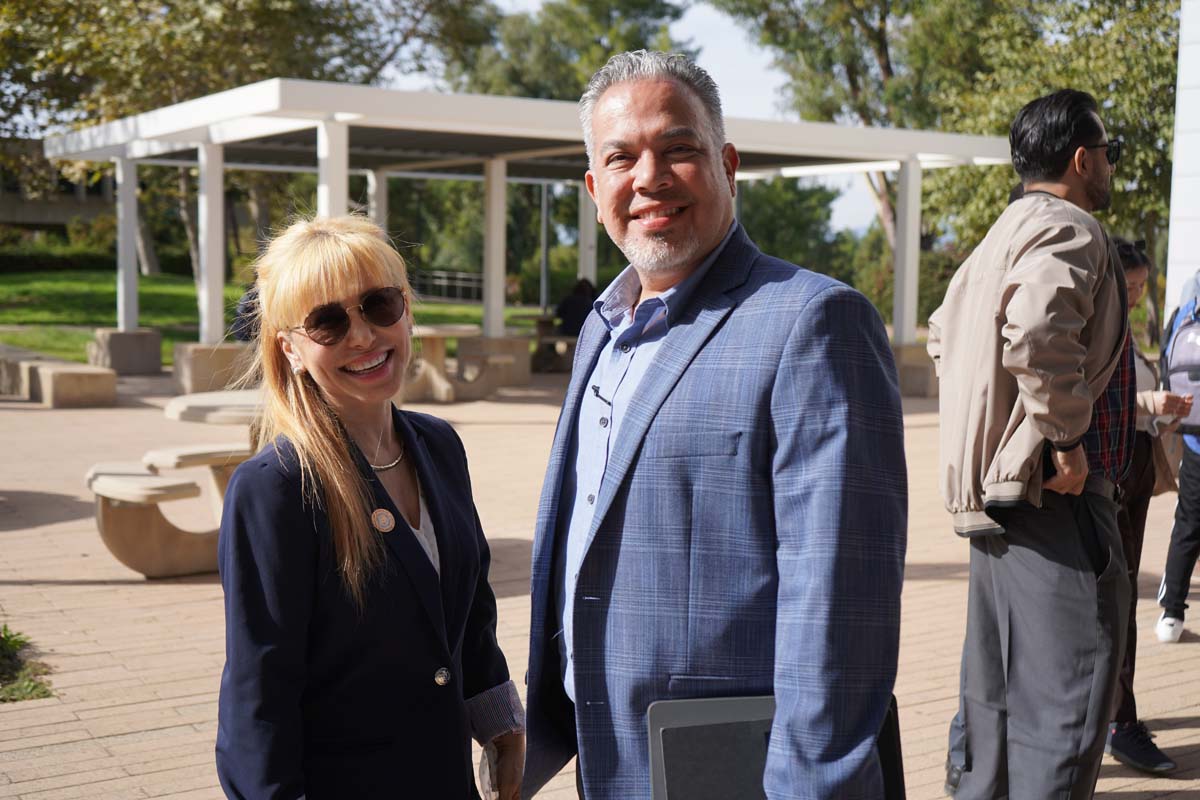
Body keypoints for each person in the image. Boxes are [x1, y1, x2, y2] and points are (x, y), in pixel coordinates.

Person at [522, 50, 908, 799]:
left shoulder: (813, 322)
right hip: (610, 755)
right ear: (594, 188)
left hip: (737, 769)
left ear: (727, 165)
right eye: (621, 158)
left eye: (678, 149)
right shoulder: (603, 327)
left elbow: (840, 610)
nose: (650, 178)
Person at [215, 215, 525, 799]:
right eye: (327, 322)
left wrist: (500, 722)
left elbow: (469, 612)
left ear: (406, 311)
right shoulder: (276, 488)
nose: (361, 336)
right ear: (290, 348)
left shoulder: (439, 445)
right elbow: (259, 698)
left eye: (379, 305)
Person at [928, 89, 1132, 799]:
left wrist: (997, 431)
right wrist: (1062, 437)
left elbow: (942, 337)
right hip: (1054, 497)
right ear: (1081, 159)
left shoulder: (1001, 233)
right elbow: (1039, 331)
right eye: (1109, 152)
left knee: (994, 701)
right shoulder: (1070, 227)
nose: (1111, 165)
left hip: (1001, 501)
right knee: (1069, 698)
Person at [1104, 238, 1188, 773]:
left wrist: (1160, 414)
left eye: (1139, 287)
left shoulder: (1125, 329)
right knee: (1112, 603)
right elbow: (1094, 397)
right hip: (1107, 473)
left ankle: (1114, 716)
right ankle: (1117, 720)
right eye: (1129, 286)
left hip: (1131, 470)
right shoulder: (1096, 324)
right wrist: (1148, 403)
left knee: (1122, 598)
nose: (1135, 296)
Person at [1156, 266, 1200, 645]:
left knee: (1188, 522)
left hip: (1195, 436)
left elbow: (1167, 361)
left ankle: (1171, 612)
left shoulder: (1191, 297)